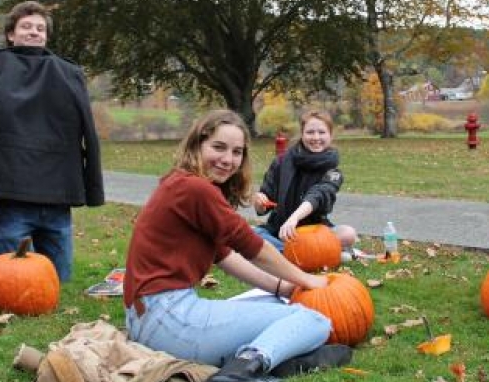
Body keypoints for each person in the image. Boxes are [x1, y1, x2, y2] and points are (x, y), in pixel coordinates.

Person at [123, 109, 351, 382]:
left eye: (236, 152)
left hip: (146, 319)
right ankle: (243, 369)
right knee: (314, 320)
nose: (227, 160)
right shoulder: (195, 189)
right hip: (170, 320)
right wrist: (307, 281)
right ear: (198, 144)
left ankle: (274, 361)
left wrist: (283, 287)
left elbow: (226, 256)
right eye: (218, 147)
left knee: (271, 301)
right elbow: (252, 246)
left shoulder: (181, 183)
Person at [0, 1, 104, 287]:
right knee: (9, 284)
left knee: (57, 284)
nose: (34, 32)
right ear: (11, 33)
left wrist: (91, 187)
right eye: (27, 26)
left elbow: (89, 135)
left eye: (40, 28)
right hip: (12, 192)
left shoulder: (69, 74)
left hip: (58, 194)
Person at [252, 110, 357, 259]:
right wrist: (259, 201)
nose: (316, 137)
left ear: (330, 135)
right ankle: (312, 254)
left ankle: (285, 253)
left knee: (348, 234)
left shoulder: (333, 171)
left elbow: (317, 195)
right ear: (302, 134)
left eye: (321, 132)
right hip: (279, 231)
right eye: (310, 132)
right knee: (252, 234)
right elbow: (266, 201)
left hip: (314, 232)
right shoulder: (281, 162)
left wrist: (294, 218)